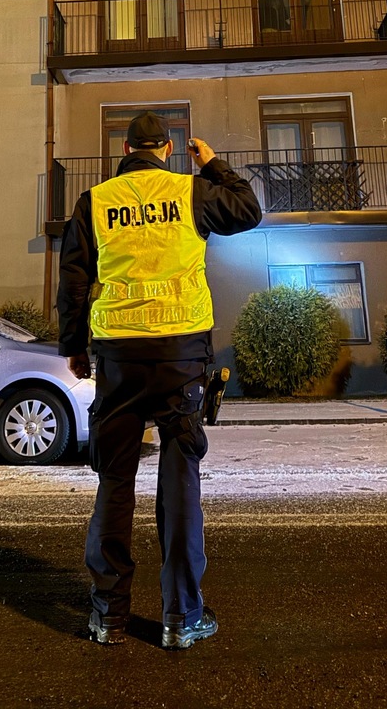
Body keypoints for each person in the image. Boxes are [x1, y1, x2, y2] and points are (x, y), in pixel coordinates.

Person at [57, 111, 261, 649]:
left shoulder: (96, 201)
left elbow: (73, 278)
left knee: (115, 479)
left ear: (125, 149)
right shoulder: (191, 191)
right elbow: (249, 209)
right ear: (167, 149)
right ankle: (181, 616)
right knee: (179, 477)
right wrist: (212, 164)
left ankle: (109, 615)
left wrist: (74, 347)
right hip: (180, 354)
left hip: (119, 358)